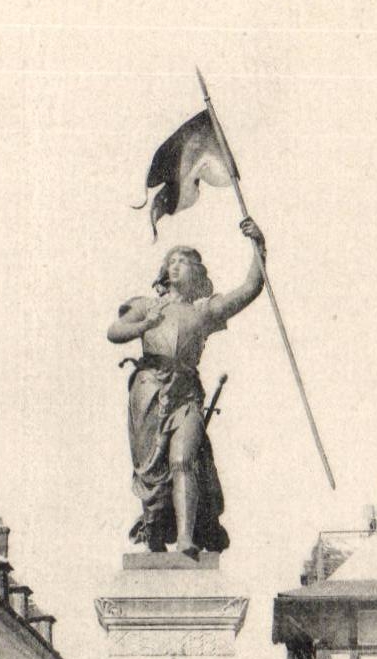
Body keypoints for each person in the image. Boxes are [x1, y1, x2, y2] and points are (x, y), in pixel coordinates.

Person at [108, 217, 266, 557]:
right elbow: (114, 331)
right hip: (149, 391)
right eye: (172, 261)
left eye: (184, 262)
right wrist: (143, 326)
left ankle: (185, 539)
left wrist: (259, 248)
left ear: (195, 272)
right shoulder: (146, 305)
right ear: (165, 270)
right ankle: (153, 526)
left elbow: (249, 289)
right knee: (151, 472)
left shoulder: (204, 311)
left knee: (183, 460)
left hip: (186, 393)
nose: (176, 266)